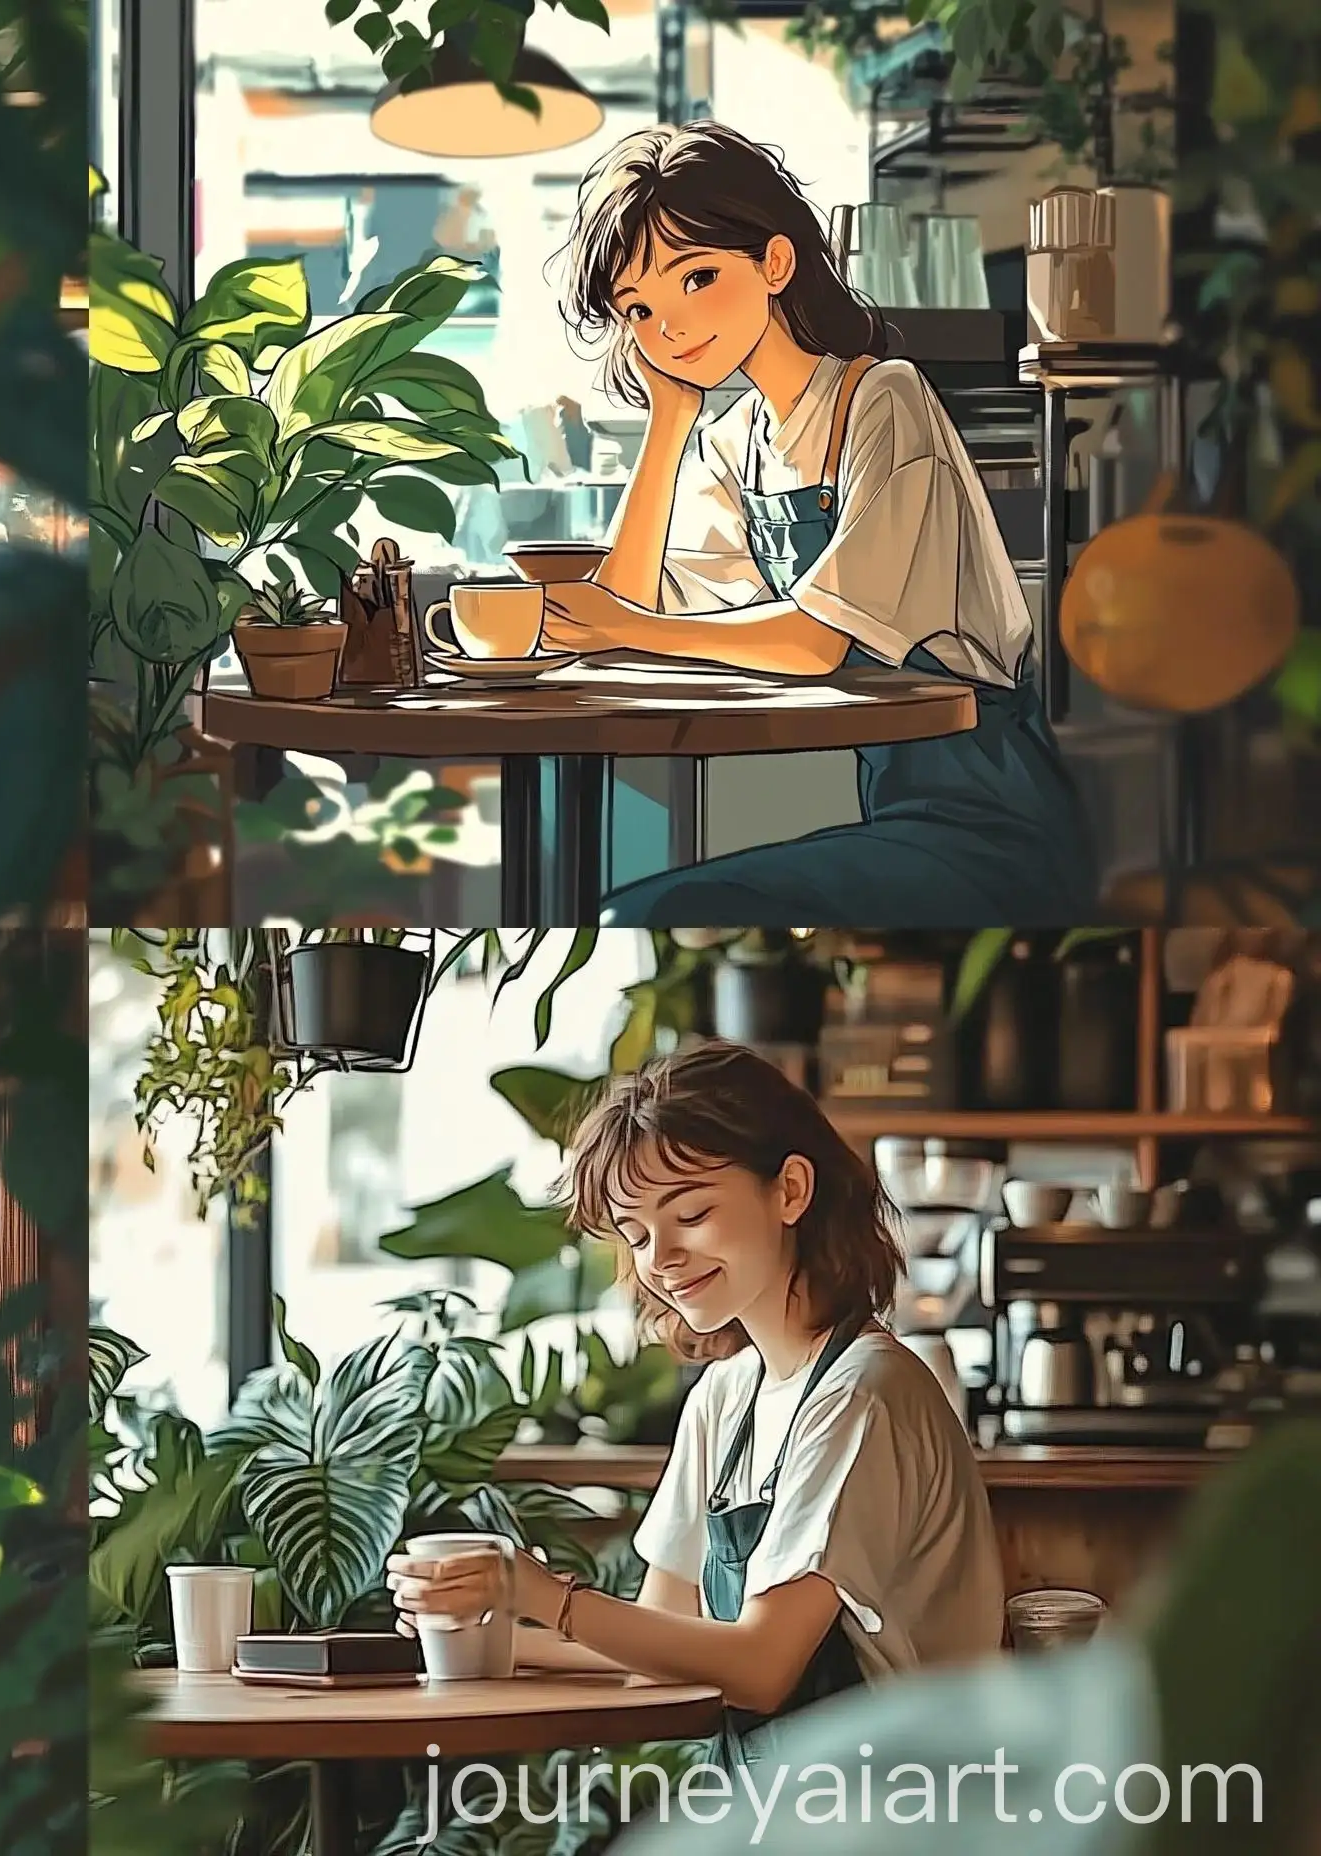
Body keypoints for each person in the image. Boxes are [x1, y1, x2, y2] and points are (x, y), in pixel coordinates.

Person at [532, 121, 1096, 925]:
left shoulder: (884, 400)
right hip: (897, 815)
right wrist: (668, 423)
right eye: (639, 309)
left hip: (998, 823)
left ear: (775, 262)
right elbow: (630, 617)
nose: (670, 327)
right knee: (633, 905)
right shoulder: (738, 442)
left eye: (695, 279)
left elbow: (810, 642)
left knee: (648, 910)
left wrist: (624, 624)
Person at [386, 1041, 1003, 1772]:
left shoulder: (862, 1396)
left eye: (692, 1212)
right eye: (638, 1234)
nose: (660, 1258)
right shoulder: (726, 1398)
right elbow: (664, 1643)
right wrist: (488, 1629)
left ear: (791, 1191)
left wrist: (542, 1593)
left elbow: (762, 1666)